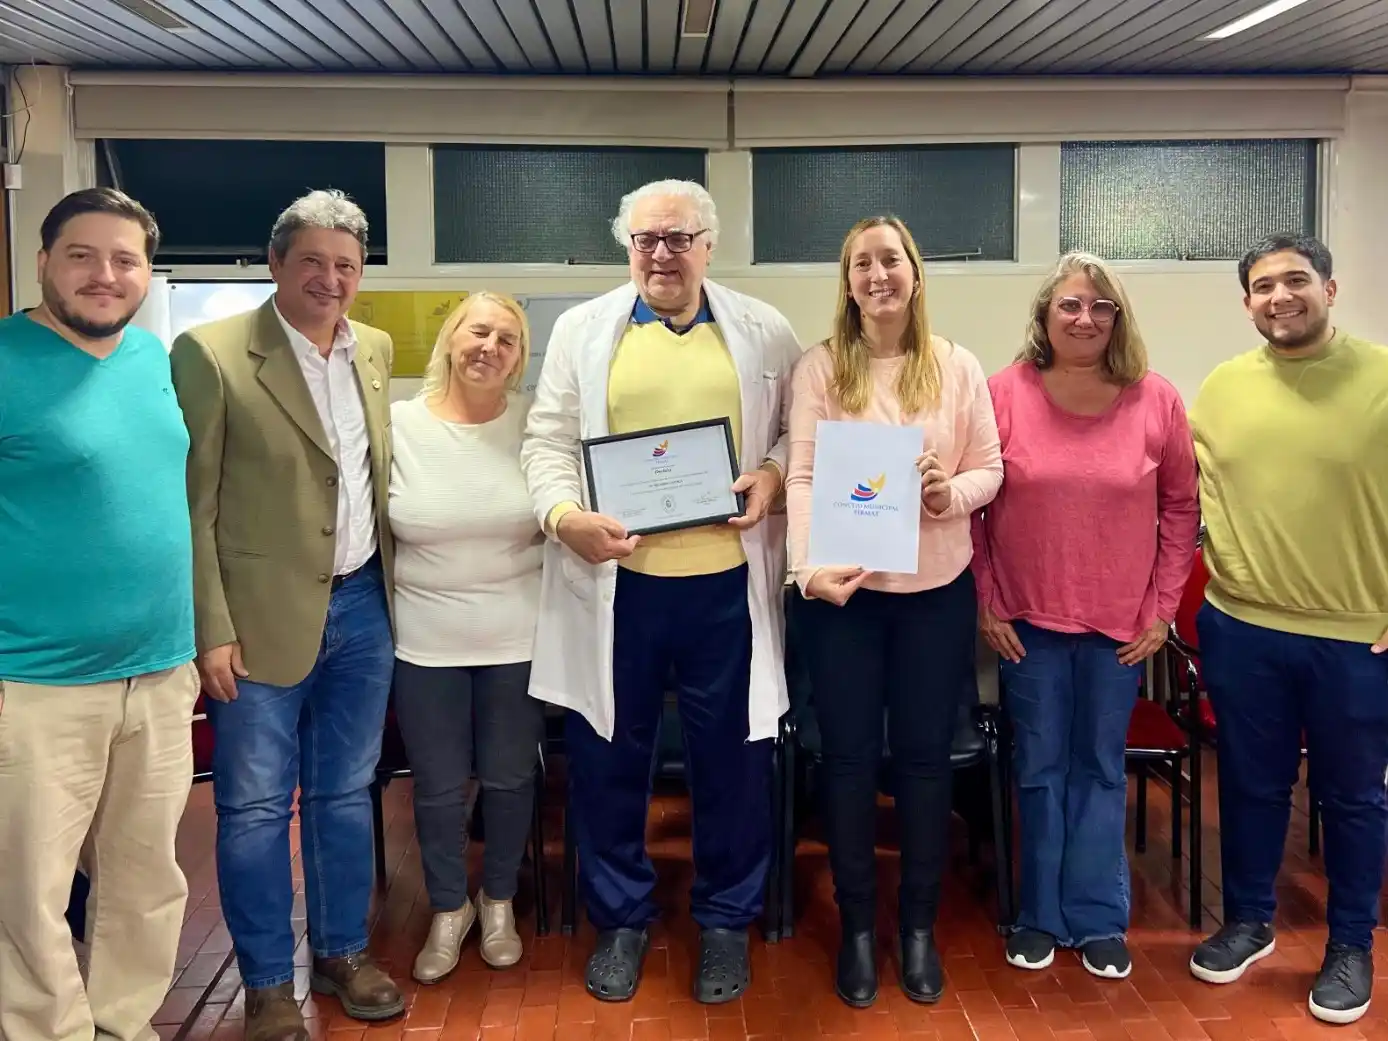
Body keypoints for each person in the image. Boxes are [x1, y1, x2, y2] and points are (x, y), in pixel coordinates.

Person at [521, 178, 800, 1005]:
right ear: (627, 246)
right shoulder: (582, 330)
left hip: (725, 585)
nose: (661, 254)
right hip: (621, 586)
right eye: (645, 239)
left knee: (734, 763)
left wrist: (776, 474)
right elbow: (547, 439)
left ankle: (723, 918)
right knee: (610, 756)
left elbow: (795, 425)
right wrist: (563, 514)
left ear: (710, 244)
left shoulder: (761, 329)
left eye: (678, 238)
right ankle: (622, 917)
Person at [170, 189, 402, 1041]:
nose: (329, 278)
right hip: (257, 617)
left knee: (345, 794)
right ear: (275, 263)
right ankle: (269, 982)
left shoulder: (372, 349)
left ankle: (342, 951)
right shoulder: (212, 352)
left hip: (363, 606)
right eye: (312, 260)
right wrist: (210, 626)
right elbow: (191, 506)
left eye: (345, 264)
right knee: (257, 806)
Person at [785, 215, 1002, 1008]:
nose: (878, 274)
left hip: (935, 593)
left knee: (921, 761)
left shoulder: (956, 366)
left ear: (916, 271)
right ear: (847, 283)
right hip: (842, 600)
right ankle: (858, 928)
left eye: (891, 259)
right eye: (862, 263)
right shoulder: (820, 368)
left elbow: (990, 467)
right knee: (844, 761)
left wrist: (952, 493)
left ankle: (915, 925)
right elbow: (802, 476)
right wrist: (809, 567)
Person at [0, 188, 199, 1041]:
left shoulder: (152, 358)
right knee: (30, 890)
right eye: (82, 255)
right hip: (36, 682)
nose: (104, 275)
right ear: (43, 261)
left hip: (158, 671)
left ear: (147, 273)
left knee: (146, 877)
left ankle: (124, 1023)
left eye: (124, 259)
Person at [971, 252, 1199, 981]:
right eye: (1071, 305)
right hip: (1026, 622)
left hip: (1121, 632)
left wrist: (1162, 610)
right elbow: (973, 504)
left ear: (1118, 320)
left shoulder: (1155, 399)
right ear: (1045, 315)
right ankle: (1038, 914)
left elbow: (1181, 509)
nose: (1085, 319)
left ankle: (1099, 917)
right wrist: (985, 599)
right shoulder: (1002, 392)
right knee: (1037, 769)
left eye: (1102, 308)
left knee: (1099, 770)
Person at [1187, 234, 1388, 1026]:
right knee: (1250, 783)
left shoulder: (1380, 378)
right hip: (1242, 625)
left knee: (1351, 797)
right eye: (1263, 286)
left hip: (1355, 636)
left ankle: (1350, 945)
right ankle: (1247, 920)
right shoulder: (1222, 388)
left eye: (1295, 280)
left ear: (1330, 289)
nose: (1280, 296)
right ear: (1247, 304)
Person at [388, 291, 546, 984]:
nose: (491, 346)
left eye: (507, 339)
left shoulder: (537, 427)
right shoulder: (397, 426)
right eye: (479, 332)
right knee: (438, 786)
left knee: (511, 779)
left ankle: (499, 899)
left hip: (517, 634)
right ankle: (449, 908)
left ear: (519, 359)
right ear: (452, 339)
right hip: (425, 641)